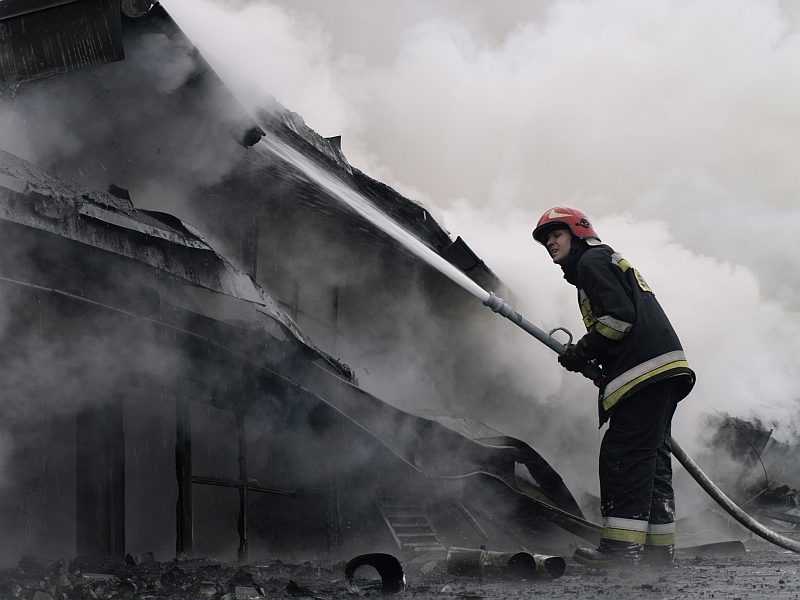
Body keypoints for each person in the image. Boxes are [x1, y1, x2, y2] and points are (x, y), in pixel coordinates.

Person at [532, 207, 695, 567]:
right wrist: (601, 365)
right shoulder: (602, 262)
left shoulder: (591, 261)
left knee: (623, 455)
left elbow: (619, 318)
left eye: (556, 234)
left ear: (577, 233)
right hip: (661, 369)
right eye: (545, 239)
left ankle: (620, 553)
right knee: (651, 460)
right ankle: (656, 553)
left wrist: (582, 351)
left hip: (644, 371)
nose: (549, 242)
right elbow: (623, 322)